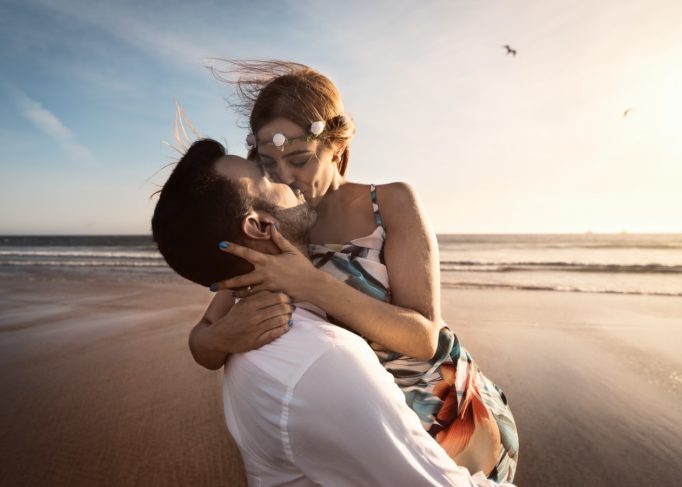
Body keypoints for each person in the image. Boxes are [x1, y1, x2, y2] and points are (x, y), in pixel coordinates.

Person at [190, 62, 518, 482]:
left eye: (299, 159)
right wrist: (222, 337)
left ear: (337, 146)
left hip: (449, 422)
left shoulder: (392, 203)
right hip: (358, 433)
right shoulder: (274, 223)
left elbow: (424, 338)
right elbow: (202, 340)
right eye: (269, 163)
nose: (285, 177)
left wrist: (312, 285)